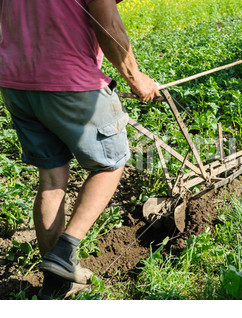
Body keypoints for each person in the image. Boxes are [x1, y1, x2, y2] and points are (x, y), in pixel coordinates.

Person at [0, 0, 159, 299]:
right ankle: (65, 251)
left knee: (50, 177)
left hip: (16, 84)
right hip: (70, 81)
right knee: (110, 164)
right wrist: (136, 79)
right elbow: (107, 26)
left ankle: (57, 281)